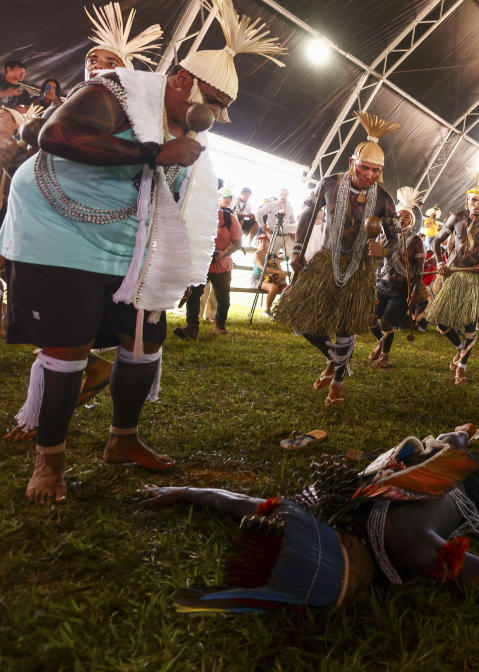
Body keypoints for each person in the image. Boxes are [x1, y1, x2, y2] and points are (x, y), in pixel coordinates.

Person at [0, 0, 284, 504]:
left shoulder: (188, 128)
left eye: (221, 107)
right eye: (211, 101)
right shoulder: (115, 93)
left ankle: (122, 440)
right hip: (54, 226)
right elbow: (54, 135)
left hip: (125, 239)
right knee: (69, 346)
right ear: (179, 80)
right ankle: (51, 458)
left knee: (145, 339)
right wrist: (151, 151)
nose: (214, 116)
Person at [138, 423, 479, 659]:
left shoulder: (395, 543)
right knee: (444, 449)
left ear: (344, 546)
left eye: (355, 586)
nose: (364, 591)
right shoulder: (325, 523)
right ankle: (456, 437)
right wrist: (186, 490)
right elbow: (231, 502)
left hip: (455, 477)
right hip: (421, 474)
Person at [272, 110, 399, 407]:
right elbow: (307, 215)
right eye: (365, 168)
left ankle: (337, 386)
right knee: (300, 320)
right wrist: (296, 250)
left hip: (359, 269)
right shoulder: (329, 185)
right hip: (326, 261)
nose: (369, 176)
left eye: (375, 171)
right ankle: (334, 358)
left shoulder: (383, 199)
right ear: (353, 162)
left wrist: (384, 250)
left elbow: (395, 240)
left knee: (345, 327)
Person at [425, 171, 479, 385]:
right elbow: (435, 242)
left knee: (470, 325)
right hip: (453, 276)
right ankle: (461, 346)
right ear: (467, 201)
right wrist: (440, 262)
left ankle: (461, 368)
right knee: (441, 322)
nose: (477, 205)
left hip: (474, 279)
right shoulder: (457, 217)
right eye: (473, 200)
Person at [368, 186, 424, 369]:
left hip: (400, 289)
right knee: (370, 320)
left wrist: (414, 292)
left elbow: (420, 269)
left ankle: (385, 356)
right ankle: (381, 342)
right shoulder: (386, 236)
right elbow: (377, 258)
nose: (403, 219)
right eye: (400, 216)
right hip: (382, 284)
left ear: (411, 219)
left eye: (407, 216)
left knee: (385, 322)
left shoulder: (416, 241)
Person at [175, 188, 243, 338]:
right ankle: (192, 327)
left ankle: (220, 325)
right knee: (193, 294)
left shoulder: (228, 218)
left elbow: (238, 243)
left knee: (223, 297)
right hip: (202, 263)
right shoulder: (199, 218)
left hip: (222, 264)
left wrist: (223, 253)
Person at [250, 231, 286, 315]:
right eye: (260, 242)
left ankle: (279, 310)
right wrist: (278, 272)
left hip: (271, 279)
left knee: (286, 288)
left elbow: (279, 268)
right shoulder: (257, 254)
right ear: (257, 244)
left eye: (265, 241)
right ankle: (267, 310)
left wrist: (282, 274)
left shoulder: (273, 255)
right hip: (258, 280)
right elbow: (263, 268)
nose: (263, 244)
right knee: (273, 288)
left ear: (269, 244)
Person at [256, 187, 296, 259]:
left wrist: (293, 232)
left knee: (293, 256)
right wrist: (264, 227)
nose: (283, 196)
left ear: (288, 196)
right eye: (281, 194)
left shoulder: (290, 207)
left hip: (286, 236)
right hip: (273, 236)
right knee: (271, 259)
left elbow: (293, 221)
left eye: (285, 195)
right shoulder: (271, 205)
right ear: (278, 195)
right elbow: (258, 214)